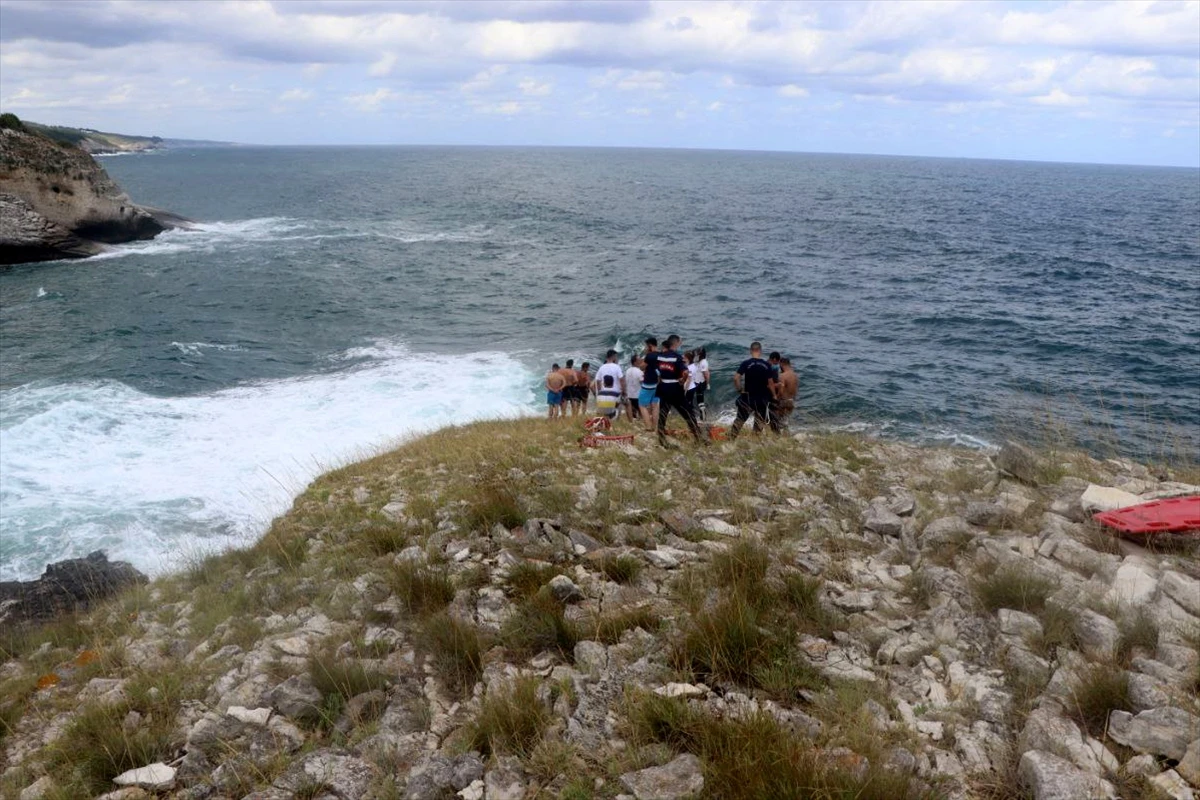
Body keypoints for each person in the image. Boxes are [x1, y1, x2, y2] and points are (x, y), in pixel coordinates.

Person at [655, 334, 704, 446]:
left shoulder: (660, 356)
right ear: (676, 343)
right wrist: (683, 380)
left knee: (663, 414)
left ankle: (661, 439)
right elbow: (686, 372)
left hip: (663, 388)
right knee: (688, 413)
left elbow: (657, 371)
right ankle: (698, 438)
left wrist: (660, 381)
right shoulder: (677, 357)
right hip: (675, 389)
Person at [729, 341, 777, 439]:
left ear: (751, 351)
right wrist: (774, 395)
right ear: (760, 351)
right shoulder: (766, 365)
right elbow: (770, 383)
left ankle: (731, 439)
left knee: (740, 419)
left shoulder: (746, 363)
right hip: (762, 398)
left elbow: (736, 378)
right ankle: (754, 440)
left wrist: (740, 390)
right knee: (759, 421)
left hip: (748, 397)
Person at [593, 350, 624, 420]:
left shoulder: (602, 367)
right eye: (616, 356)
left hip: (604, 392)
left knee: (605, 410)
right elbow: (621, 379)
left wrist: (600, 390)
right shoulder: (617, 367)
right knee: (618, 407)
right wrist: (623, 390)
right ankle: (616, 420)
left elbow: (597, 380)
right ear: (613, 357)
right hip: (615, 393)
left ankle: (605, 421)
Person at [638, 337, 660, 432]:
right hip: (658, 383)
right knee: (655, 405)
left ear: (650, 346)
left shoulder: (649, 356)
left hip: (648, 384)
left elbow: (641, 367)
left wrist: (646, 354)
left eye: (647, 346)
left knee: (642, 405)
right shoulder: (661, 355)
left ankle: (648, 427)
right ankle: (654, 427)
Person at [776, 357, 798, 432]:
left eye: (779, 365)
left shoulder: (783, 376)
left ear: (782, 364)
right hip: (792, 401)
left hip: (783, 401)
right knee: (785, 421)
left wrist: (776, 398)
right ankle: (786, 437)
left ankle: (777, 437)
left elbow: (781, 391)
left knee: (777, 421)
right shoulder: (795, 375)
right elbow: (795, 390)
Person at [623, 355, 644, 423]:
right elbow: (642, 381)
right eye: (639, 360)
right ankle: (641, 422)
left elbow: (625, 381)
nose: (641, 360)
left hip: (629, 394)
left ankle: (632, 422)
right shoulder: (639, 371)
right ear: (635, 362)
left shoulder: (627, 371)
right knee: (641, 410)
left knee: (632, 411)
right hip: (637, 395)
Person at [767, 351, 784, 433]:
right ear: (774, 359)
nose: (777, 364)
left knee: (772, 413)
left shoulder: (772, 366)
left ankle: (773, 429)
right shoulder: (768, 367)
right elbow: (766, 383)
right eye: (777, 362)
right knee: (773, 413)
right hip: (769, 394)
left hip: (772, 393)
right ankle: (776, 433)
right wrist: (777, 385)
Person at [694, 347, 710, 420]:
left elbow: (706, 374)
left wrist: (707, 384)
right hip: (697, 383)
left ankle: (703, 418)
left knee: (700, 402)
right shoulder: (701, 362)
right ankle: (702, 418)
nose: (696, 355)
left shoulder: (703, 362)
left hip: (700, 384)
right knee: (699, 401)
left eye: (698, 353)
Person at [684, 350, 700, 416]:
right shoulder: (694, 366)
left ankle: (691, 416)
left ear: (688, 359)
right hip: (693, 386)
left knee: (688, 403)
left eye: (684, 357)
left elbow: (689, 380)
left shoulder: (689, 368)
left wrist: (685, 390)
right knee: (690, 403)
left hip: (689, 388)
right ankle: (692, 415)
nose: (683, 358)